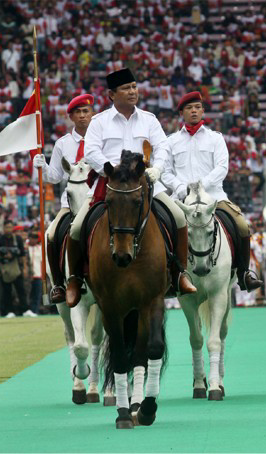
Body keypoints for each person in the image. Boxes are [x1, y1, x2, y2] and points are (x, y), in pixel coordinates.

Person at [65, 68, 196, 308]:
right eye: (126, 88)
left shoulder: (149, 119)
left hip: (144, 183)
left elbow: (163, 147)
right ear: (112, 94)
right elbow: (91, 151)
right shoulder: (99, 122)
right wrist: (112, 171)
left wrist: (156, 167)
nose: (132, 91)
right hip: (110, 184)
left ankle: (180, 274)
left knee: (178, 217)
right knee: (75, 228)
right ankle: (74, 280)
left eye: (134, 87)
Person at [162, 91, 263, 292]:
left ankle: (244, 273)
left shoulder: (215, 138)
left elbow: (222, 167)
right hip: (181, 199)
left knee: (241, 225)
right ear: (181, 112)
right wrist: (183, 189)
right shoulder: (170, 141)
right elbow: (165, 172)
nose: (194, 111)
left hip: (214, 197)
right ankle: (167, 277)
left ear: (203, 111)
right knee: (160, 226)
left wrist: (201, 186)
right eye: (189, 108)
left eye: (197, 107)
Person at [32, 93, 95, 303]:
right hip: (70, 205)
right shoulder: (62, 143)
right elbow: (55, 177)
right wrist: (42, 166)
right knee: (51, 235)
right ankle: (59, 284)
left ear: (92, 113)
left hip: (99, 199)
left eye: (86, 111)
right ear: (71, 117)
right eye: (78, 112)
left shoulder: (101, 139)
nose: (83, 116)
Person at [0, 219, 28, 317]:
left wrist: (25, 267)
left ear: (12, 228)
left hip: (16, 267)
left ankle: (25, 310)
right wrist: (4, 256)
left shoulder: (17, 239)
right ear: (3, 228)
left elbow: (22, 254)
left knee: (21, 289)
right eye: (6, 227)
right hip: (4, 268)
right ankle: (10, 311)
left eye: (10, 227)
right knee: (7, 291)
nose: (8, 229)